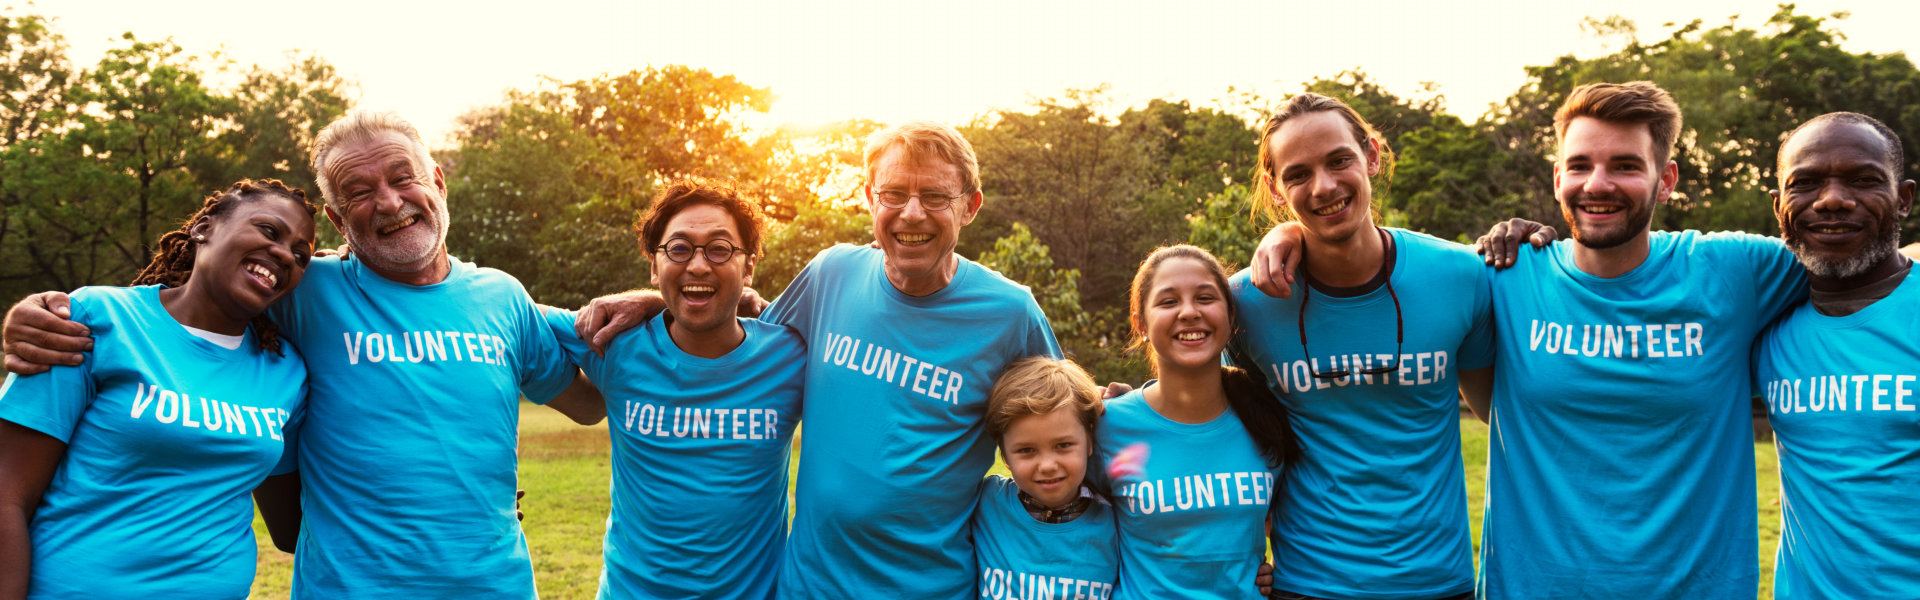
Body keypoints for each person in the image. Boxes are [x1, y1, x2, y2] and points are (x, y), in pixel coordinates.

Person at [2, 110, 605, 598]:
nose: (391, 202)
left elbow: (587, 399)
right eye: (359, 192)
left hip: (493, 586)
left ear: (438, 181)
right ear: (341, 222)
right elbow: (184, 305)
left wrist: (654, 303)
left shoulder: (503, 297)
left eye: (404, 177)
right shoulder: (303, 288)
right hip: (344, 589)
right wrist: (39, 315)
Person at [1253, 81, 1802, 598]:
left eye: (1627, 166)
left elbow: (1862, 268)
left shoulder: (1737, 270)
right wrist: (1289, 233)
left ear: (1667, 178)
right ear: (1558, 175)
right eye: (1581, 165)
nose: (1599, 183)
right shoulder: (1504, 275)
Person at [576, 120, 1059, 598]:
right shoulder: (832, 274)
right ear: (870, 199)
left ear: (970, 207)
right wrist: (655, 299)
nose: (912, 214)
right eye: (893, 194)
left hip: (930, 588)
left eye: (935, 197)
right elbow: (739, 318)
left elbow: (1069, 424)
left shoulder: (1010, 313)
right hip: (807, 587)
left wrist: (1127, 406)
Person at [1228, 93, 1493, 600]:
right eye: (1298, 174)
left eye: (1339, 160)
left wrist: (1532, 244)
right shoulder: (1248, 302)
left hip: (1439, 583)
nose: (1324, 186)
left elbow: (1500, 412)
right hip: (1307, 584)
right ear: (1275, 189)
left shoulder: (1461, 276)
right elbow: (1217, 426)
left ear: (1371, 155)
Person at [0, 180, 316, 599]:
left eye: (300, 255)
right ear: (204, 227)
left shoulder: (286, 373)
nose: (283, 254)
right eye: (269, 232)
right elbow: (8, 496)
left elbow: (290, 530)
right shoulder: (95, 319)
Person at [544, 180, 805, 599]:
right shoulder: (612, 342)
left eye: (720, 249)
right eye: (679, 249)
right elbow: (507, 317)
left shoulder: (792, 355)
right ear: (654, 264)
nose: (698, 266)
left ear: (750, 265)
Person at [1751, 111, 1918, 598]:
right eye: (1806, 184)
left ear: (1903, 199)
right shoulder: (1761, 321)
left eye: (1864, 180)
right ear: (1780, 205)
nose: (1832, 200)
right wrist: (1534, 251)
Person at [1093, 244, 1296, 600]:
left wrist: (1283, 572)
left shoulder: (1266, 419)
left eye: (1205, 298)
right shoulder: (1107, 426)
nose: (1189, 312)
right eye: (1168, 302)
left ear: (1231, 318)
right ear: (1141, 323)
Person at [972, 356, 1118, 600]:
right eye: (1026, 450)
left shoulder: (1118, 521)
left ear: (1089, 440)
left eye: (1063, 445)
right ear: (1005, 454)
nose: (1048, 466)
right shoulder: (984, 503)